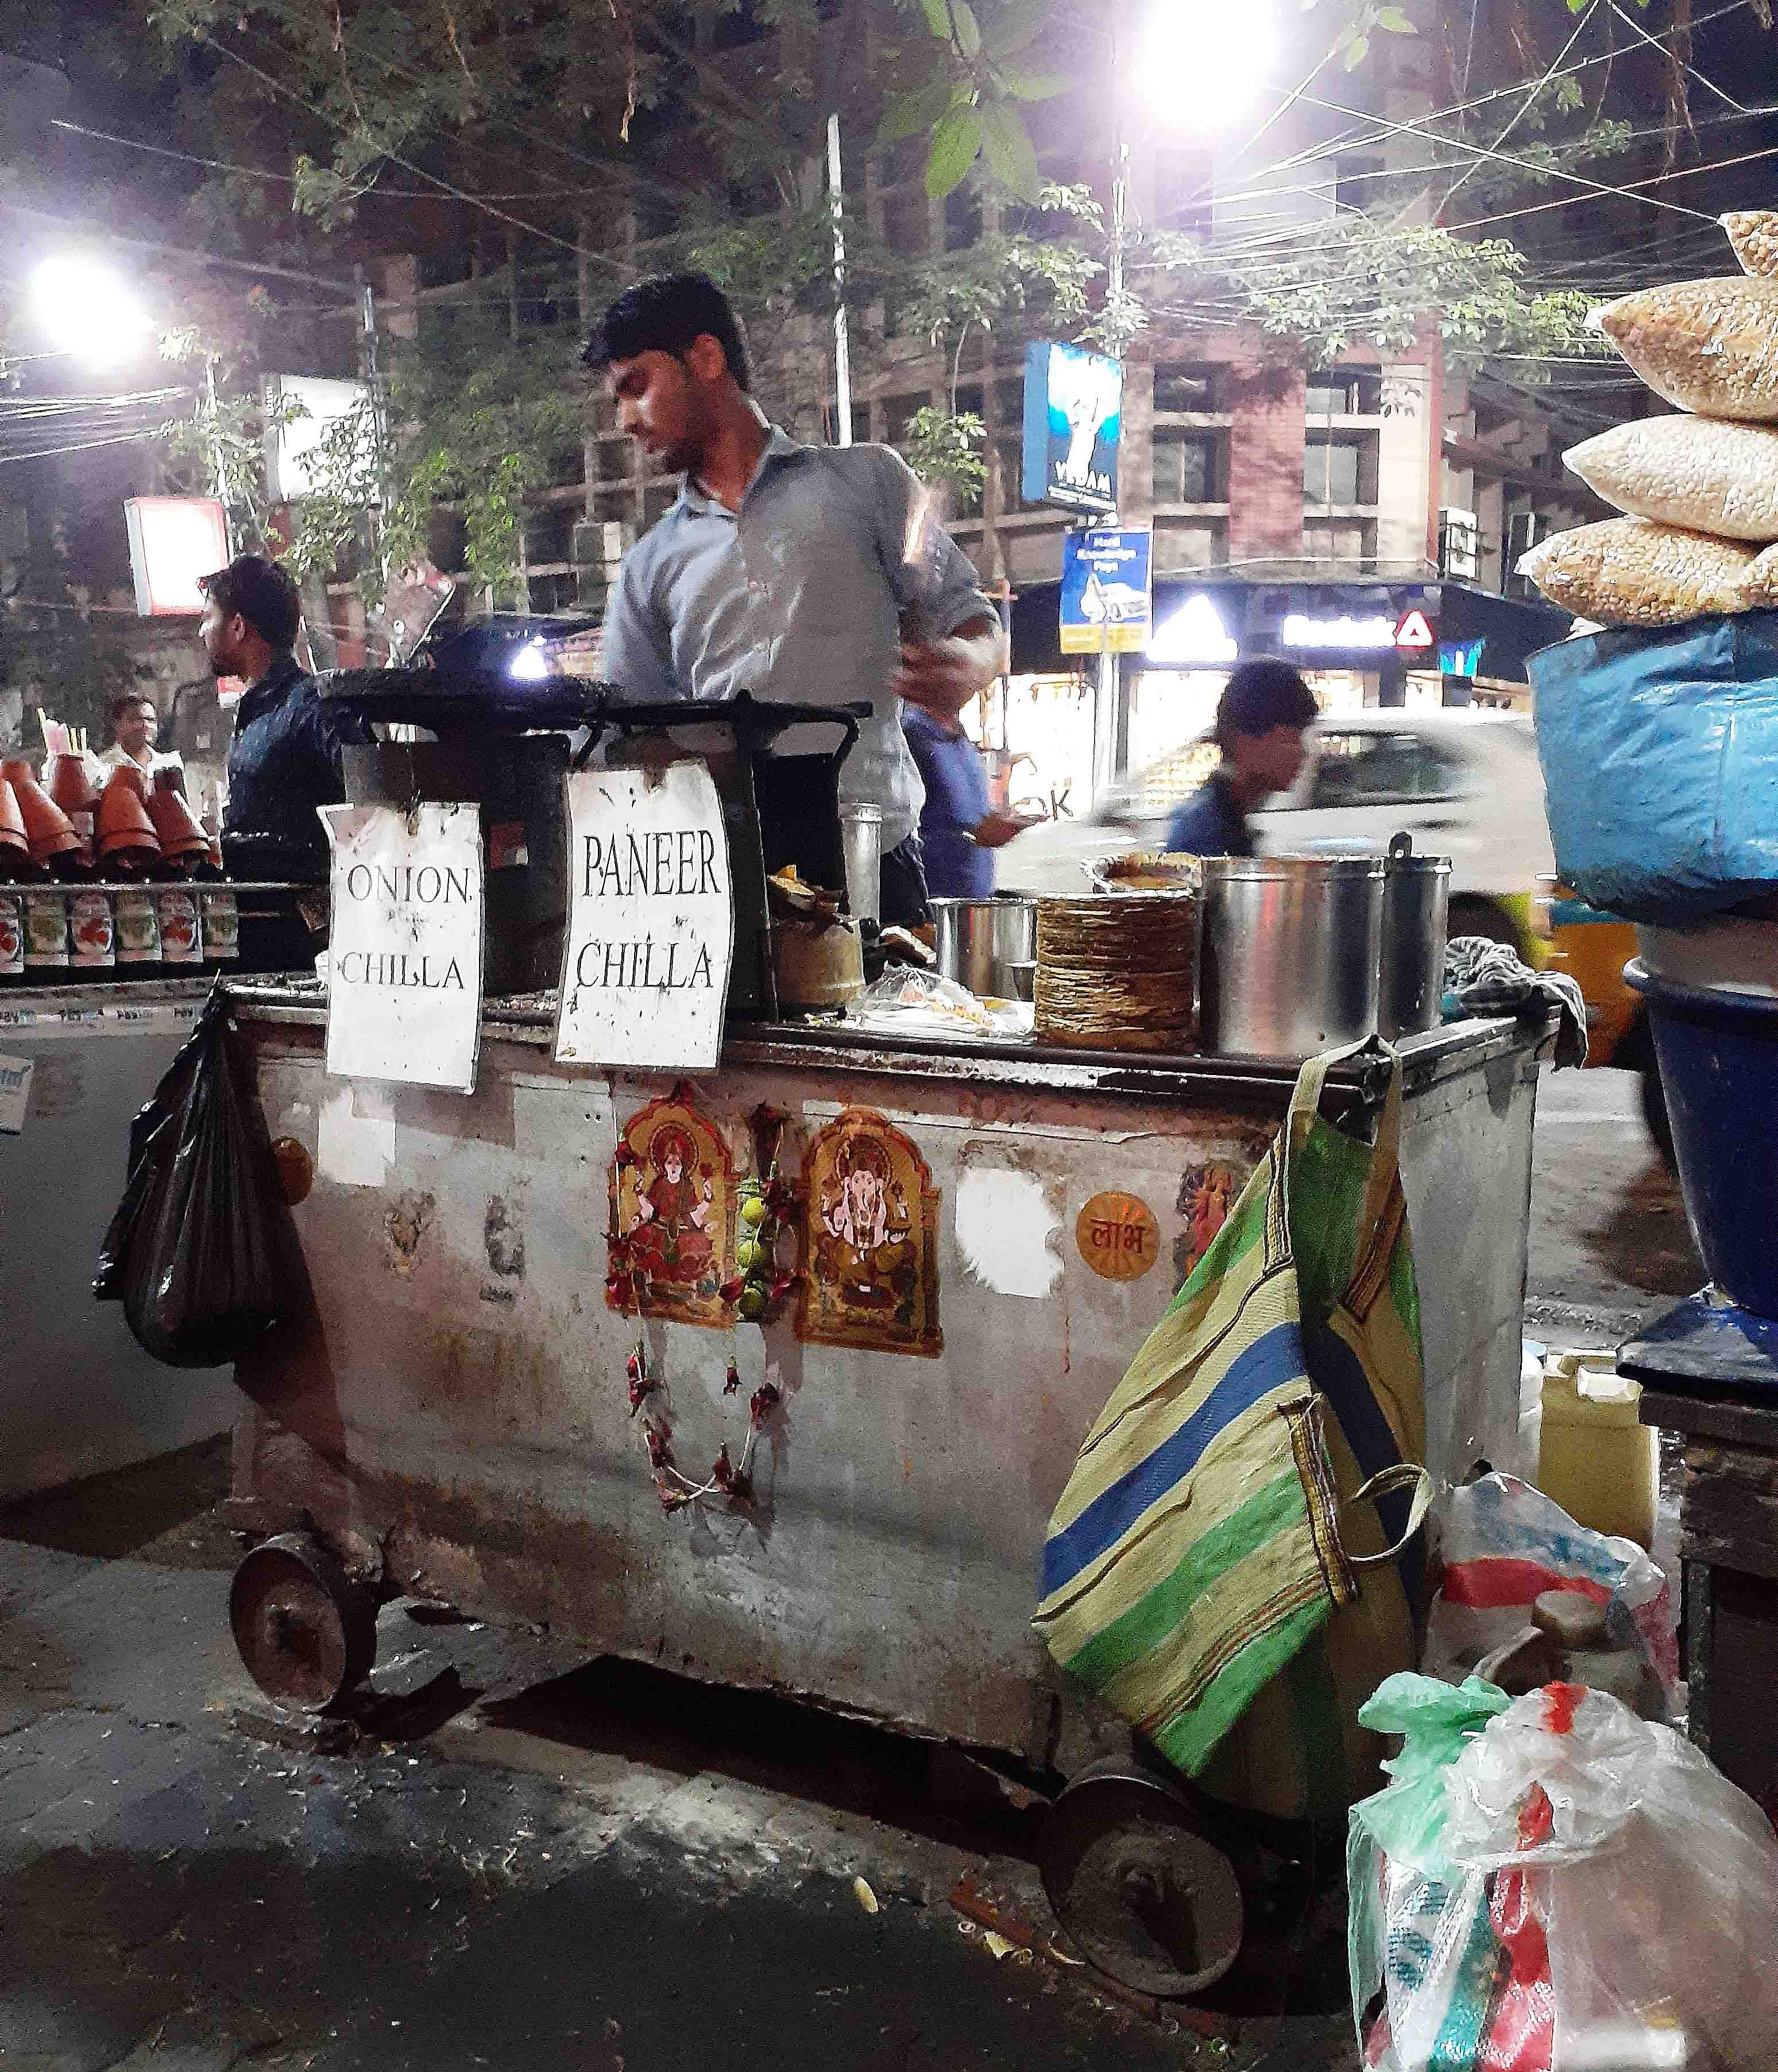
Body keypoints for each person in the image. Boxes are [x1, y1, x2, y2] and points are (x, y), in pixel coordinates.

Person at [584, 272, 1005, 929]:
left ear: (706, 357)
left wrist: (972, 663)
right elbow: (621, 736)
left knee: (900, 1027)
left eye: (636, 386)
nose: (625, 420)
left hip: (878, 867)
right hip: (725, 886)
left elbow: (972, 616)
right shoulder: (648, 568)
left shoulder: (873, 482)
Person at [199, 554, 367, 968]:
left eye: (208, 618)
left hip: (310, 953)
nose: (201, 631)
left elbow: (374, 796)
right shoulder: (255, 712)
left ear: (238, 626)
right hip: (258, 941)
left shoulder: (313, 707)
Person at [1166, 658, 1319, 859]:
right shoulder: (1201, 831)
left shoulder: (1229, 815)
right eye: (1290, 738)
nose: (1303, 752)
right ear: (1243, 741)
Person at [901, 695, 1029, 900]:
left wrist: (995, 820)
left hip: (976, 894)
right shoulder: (911, 734)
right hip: (933, 900)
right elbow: (900, 832)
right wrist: (972, 834)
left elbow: (965, 811)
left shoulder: (958, 735)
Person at [101, 693, 184, 778]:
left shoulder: (170, 764)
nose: (145, 725)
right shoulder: (104, 765)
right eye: (135, 719)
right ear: (116, 724)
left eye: (151, 720)